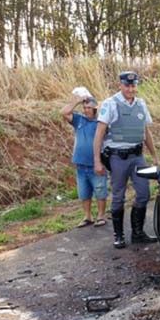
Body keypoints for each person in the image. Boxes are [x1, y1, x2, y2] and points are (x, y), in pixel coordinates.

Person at [93, 71, 159, 249]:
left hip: (137, 156)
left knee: (144, 193)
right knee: (118, 197)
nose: (131, 89)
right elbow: (99, 133)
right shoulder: (110, 104)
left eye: (133, 85)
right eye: (127, 85)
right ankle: (119, 235)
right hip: (118, 157)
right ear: (120, 85)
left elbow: (146, 131)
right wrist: (97, 161)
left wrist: (154, 155)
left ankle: (137, 233)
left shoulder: (141, 104)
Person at [61, 94, 108, 228]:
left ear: (95, 109)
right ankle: (87, 216)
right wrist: (76, 101)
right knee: (84, 192)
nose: (86, 110)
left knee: (100, 191)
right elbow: (64, 112)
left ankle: (101, 215)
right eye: (85, 107)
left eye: (89, 107)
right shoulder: (79, 120)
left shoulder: (101, 123)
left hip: (95, 164)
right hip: (81, 165)